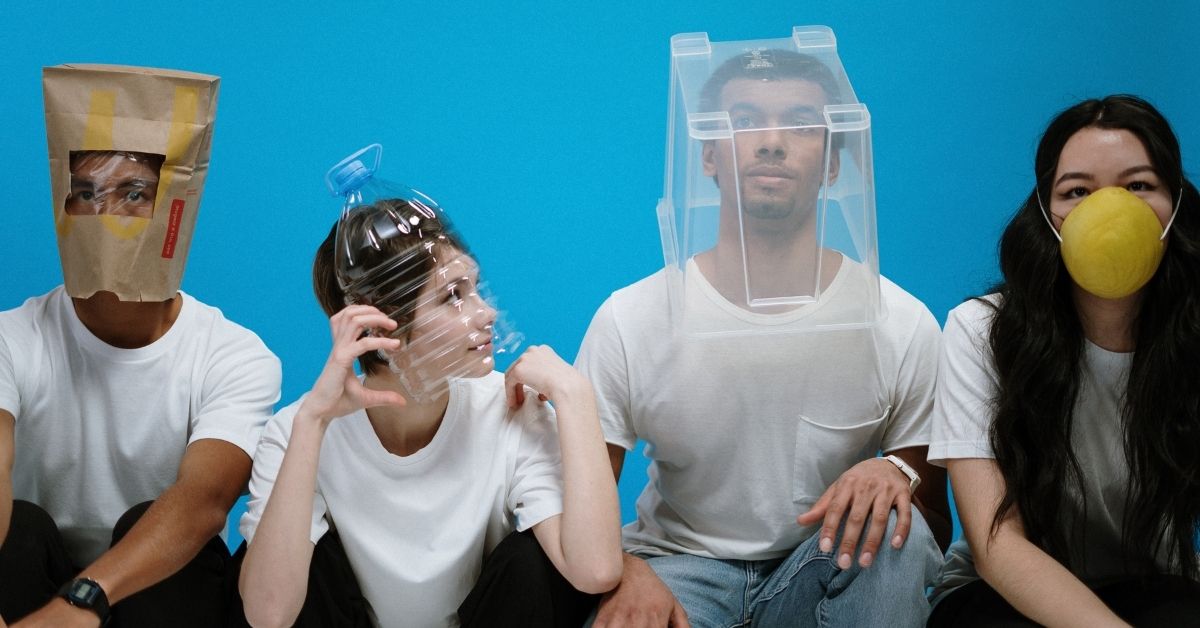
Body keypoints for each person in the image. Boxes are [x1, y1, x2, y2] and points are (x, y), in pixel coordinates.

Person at [576, 48, 950, 627]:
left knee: (898, 534)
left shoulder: (901, 322)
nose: (771, 142)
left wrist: (895, 474)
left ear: (831, 164)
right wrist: (626, 569)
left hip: (828, 560)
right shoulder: (631, 318)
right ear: (707, 156)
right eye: (744, 121)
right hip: (679, 571)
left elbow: (932, 525)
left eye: (801, 124)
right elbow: (572, 501)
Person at [237, 200, 623, 628]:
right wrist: (311, 424)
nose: (487, 313)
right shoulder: (298, 428)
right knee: (281, 542)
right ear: (379, 323)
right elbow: (268, 615)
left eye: (475, 288)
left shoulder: (509, 408)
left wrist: (575, 396)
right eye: (453, 296)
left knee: (533, 559)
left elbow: (595, 571)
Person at [927, 94, 1200, 627]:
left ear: (1176, 207)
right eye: (1077, 191)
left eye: (1138, 186)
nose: (1110, 210)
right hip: (1001, 594)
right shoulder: (981, 330)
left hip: (1153, 582)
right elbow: (996, 543)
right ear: (1047, 216)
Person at [0, 150, 281, 626]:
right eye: (86, 193)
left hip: (155, 590)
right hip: (31, 584)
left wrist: (84, 600)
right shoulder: (13, 337)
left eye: (133, 194)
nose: (106, 215)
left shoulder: (233, 354)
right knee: (22, 529)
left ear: (176, 211)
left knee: (166, 535)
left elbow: (204, 502)